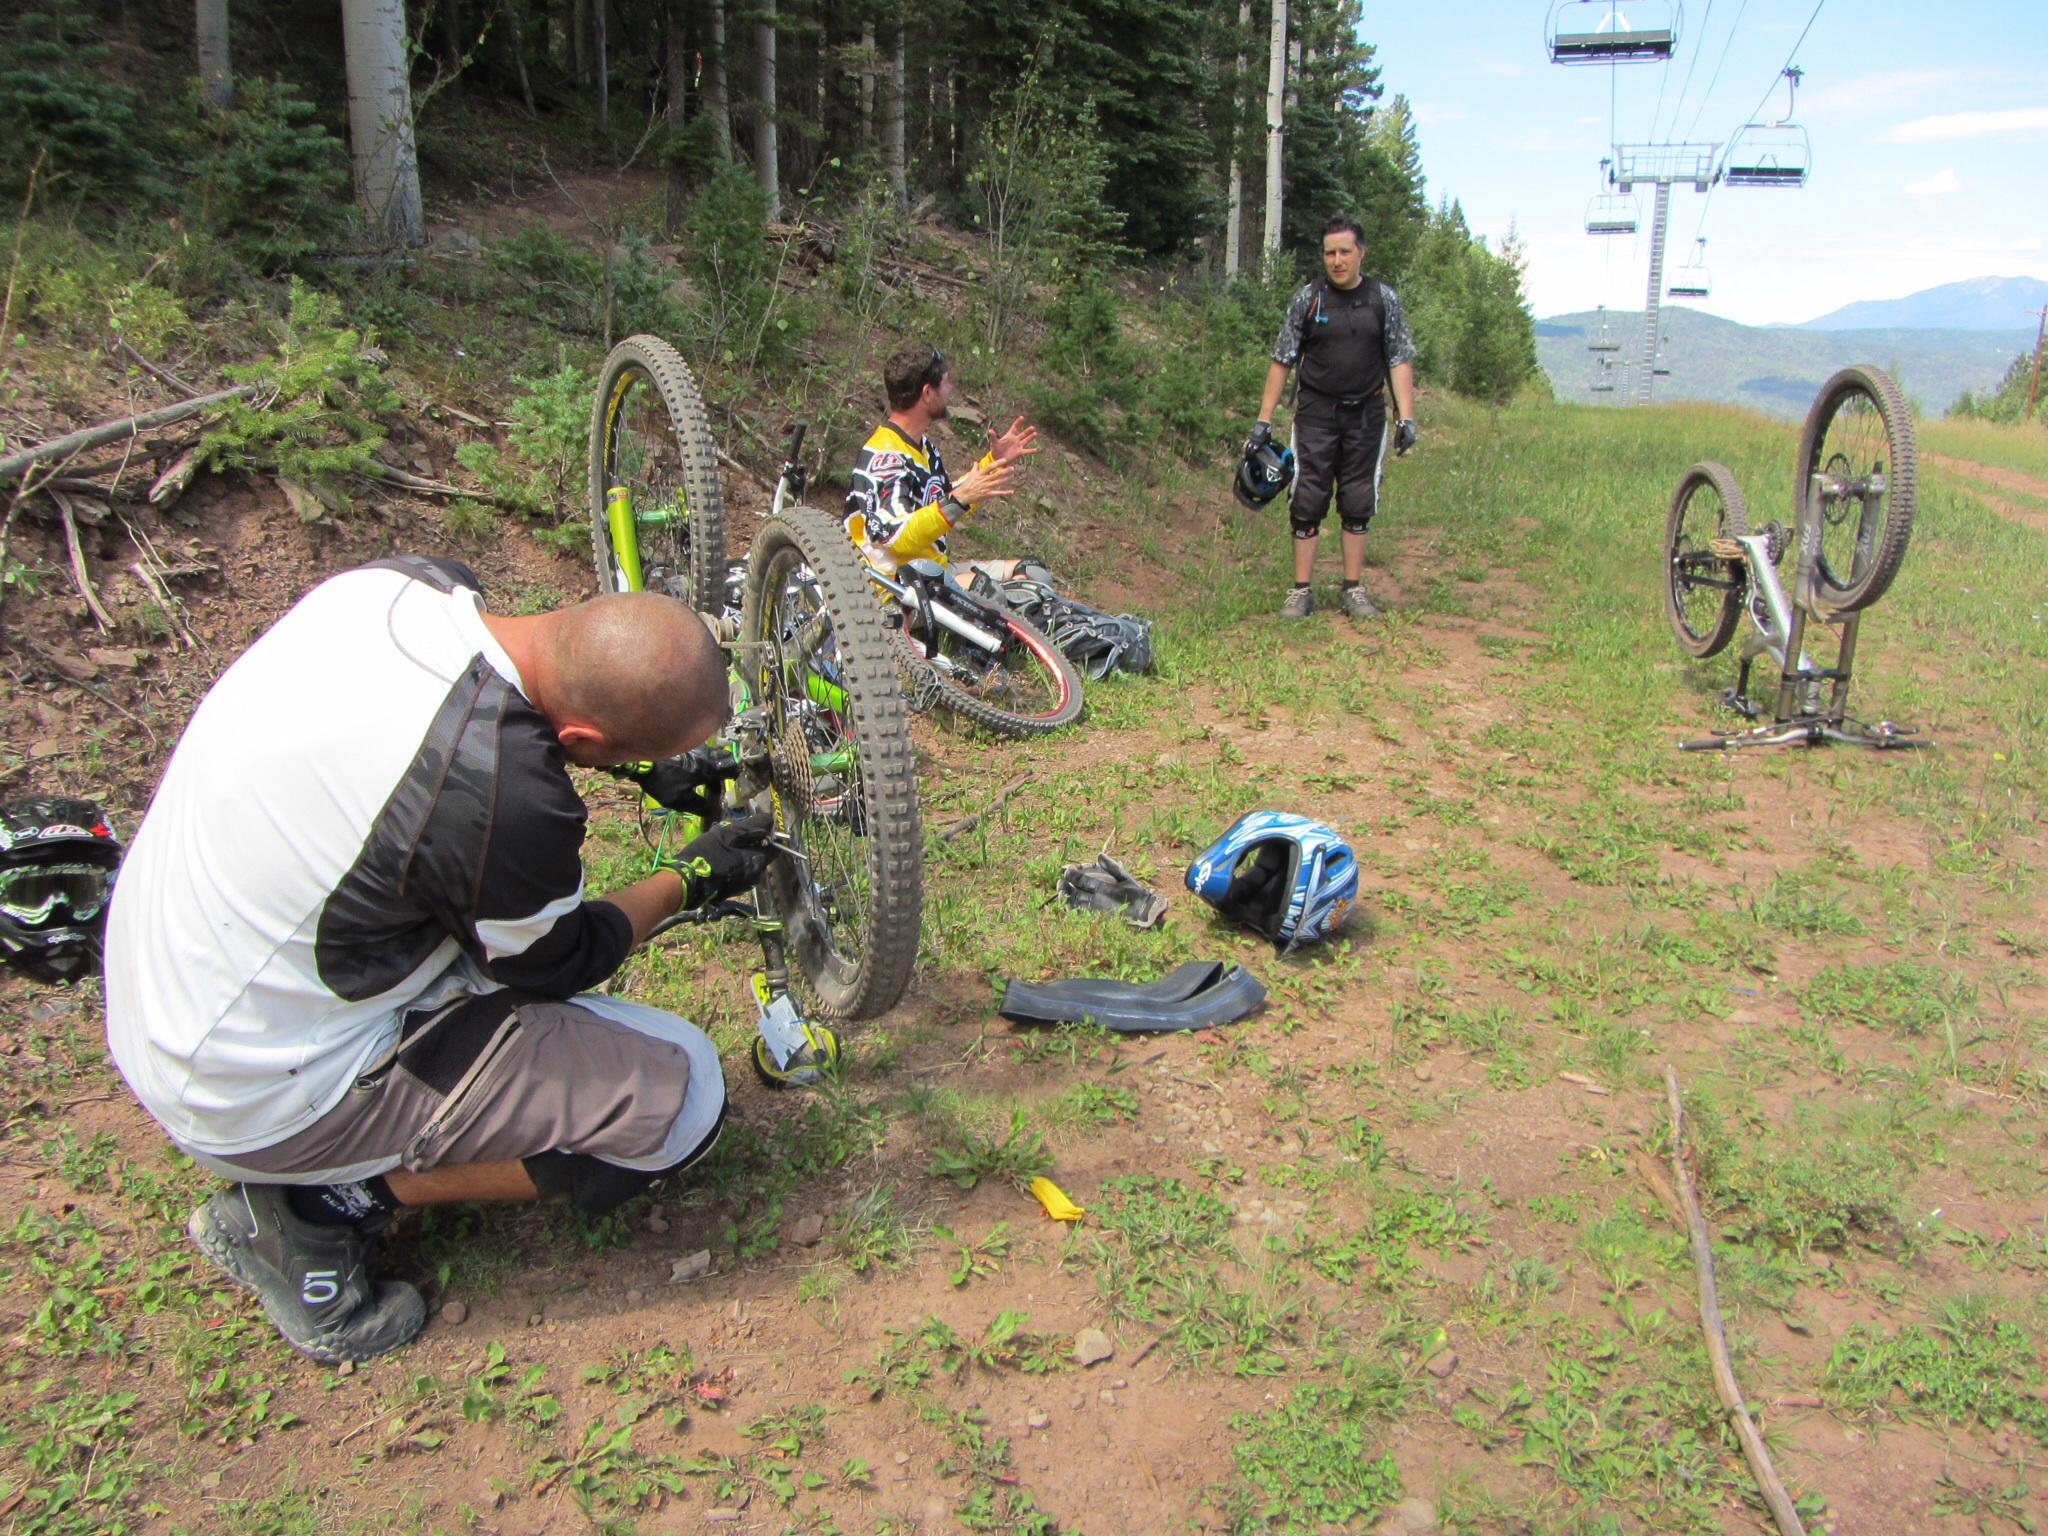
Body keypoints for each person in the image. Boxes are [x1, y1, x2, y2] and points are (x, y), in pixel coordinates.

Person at [104, 556, 774, 1366]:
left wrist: (641, 758)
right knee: (682, 1094)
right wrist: (689, 877)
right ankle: (317, 1208)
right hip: (256, 1085)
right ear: (582, 742)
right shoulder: (502, 798)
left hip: (173, 983)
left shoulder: (393, 586)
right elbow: (561, 960)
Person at [1245, 213, 1419, 620]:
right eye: (1329, 253)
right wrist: (1263, 420)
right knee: (1307, 496)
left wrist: (1406, 418)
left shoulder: (1383, 300)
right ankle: (1301, 591)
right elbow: (1282, 359)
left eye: (1344, 251)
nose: (1336, 260)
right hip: (1316, 415)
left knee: (1359, 499)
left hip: (1367, 416)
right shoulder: (1309, 299)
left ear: (1361, 253)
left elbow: (1399, 358)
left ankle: (1353, 590)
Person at [843, 343, 1038, 573]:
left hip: (932, 575)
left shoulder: (924, 448)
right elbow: (893, 536)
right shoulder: (886, 458)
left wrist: (994, 461)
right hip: (895, 586)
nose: (950, 388)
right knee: (994, 598)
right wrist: (957, 500)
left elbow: (946, 502)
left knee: (1031, 571)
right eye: (945, 382)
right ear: (927, 393)